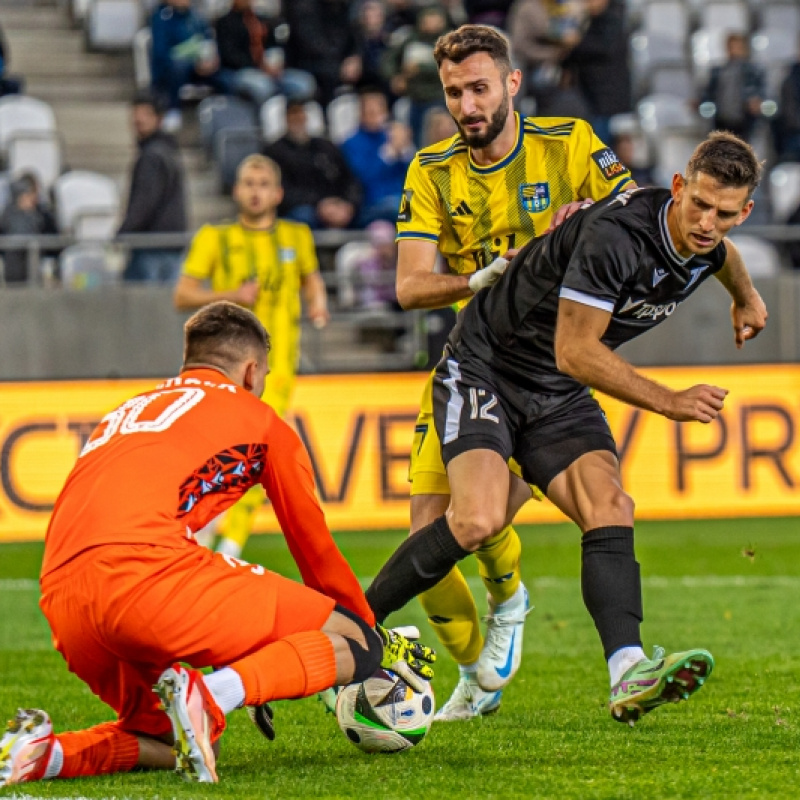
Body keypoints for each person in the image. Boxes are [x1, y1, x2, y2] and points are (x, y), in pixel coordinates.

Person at [366, 131, 767, 726]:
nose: (708, 223)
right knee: (475, 520)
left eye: (725, 213)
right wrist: (668, 400)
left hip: (552, 388)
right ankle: (350, 620)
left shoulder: (709, 242)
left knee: (611, 503)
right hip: (487, 365)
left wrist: (747, 298)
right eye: (699, 205)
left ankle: (627, 670)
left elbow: (722, 259)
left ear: (745, 212)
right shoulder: (617, 238)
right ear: (678, 187)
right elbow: (577, 351)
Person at [0, 301, 434, 788]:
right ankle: (214, 692)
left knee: (172, 742)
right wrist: (370, 636)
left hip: (63, 600)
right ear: (251, 372)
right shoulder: (262, 421)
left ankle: (46, 754)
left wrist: (267, 661)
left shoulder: (128, 410)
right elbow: (315, 554)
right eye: (265, 375)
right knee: (356, 641)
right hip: (143, 574)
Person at [390, 23, 636, 722]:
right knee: (427, 547)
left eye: (478, 89)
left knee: (487, 513)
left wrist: (592, 216)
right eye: (454, 93)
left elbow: (642, 214)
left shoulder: (570, 144)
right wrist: (479, 277)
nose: (467, 106)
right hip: (468, 364)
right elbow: (409, 287)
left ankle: (514, 599)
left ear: (511, 84)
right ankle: (481, 667)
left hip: (547, 376)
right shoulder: (432, 169)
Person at [173, 154, 328, 558]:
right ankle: (208, 528)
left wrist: (318, 305)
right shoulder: (216, 238)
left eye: (263, 183)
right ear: (236, 191)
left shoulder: (297, 237)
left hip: (274, 370)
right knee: (222, 451)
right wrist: (229, 296)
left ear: (277, 193)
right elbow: (182, 295)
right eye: (248, 183)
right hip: (221, 367)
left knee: (254, 449)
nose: (255, 191)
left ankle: (227, 541)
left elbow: (312, 280)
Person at [119, 94, 188, 283]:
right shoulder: (169, 151)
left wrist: (123, 234)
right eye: (135, 113)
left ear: (159, 118)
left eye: (145, 113)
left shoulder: (152, 156)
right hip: (170, 245)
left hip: (152, 247)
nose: (138, 119)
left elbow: (144, 202)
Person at [264, 99, 361, 230]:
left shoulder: (326, 147)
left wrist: (348, 204)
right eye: (293, 114)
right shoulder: (274, 151)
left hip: (337, 205)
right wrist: (319, 204)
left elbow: (349, 179)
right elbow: (281, 191)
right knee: (303, 216)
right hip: (302, 209)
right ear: (286, 118)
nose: (298, 118)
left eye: (301, 113)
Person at [215, 0, 316, 108]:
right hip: (240, 71)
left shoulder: (262, 20)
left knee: (304, 84)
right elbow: (229, 55)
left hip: (270, 71)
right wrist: (259, 65)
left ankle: (288, 117)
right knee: (263, 87)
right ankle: (261, 122)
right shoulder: (224, 22)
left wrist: (276, 64)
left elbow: (275, 46)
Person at [149, 0, 230, 133]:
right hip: (169, 70)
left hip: (199, 69)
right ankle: (173, 110)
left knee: (227, 77)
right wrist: (191, 58)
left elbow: (208, 41)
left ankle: (225, 112)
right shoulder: (161, 17)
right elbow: (161, 53)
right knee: (178, 66)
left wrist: (211, 60)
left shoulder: (196, 17)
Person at [340, 87, 415, 226]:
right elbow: (363, 177)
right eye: (371, 112)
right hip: (370, 205)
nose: (376, 117)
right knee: (400, 208)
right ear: (361, 114)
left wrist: (404, 150)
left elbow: (413, 174)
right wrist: (389, 152)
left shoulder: (392, 136)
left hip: (401, 199)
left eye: (380, 112)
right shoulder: (351, 143)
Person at [699, 32, 765, 144]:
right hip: (722, 120)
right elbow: (708, 94)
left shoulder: (754, 71)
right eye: (731, 47)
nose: (734, 51)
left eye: (738, 47)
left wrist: (757, 102)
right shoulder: (717, 71)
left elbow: (762, 93)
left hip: (745, 121)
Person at [0, 173, 57, 284]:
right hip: (12, 272)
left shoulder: (43, 215)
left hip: (36, 270)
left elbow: (53, 242)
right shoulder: (8, 215)